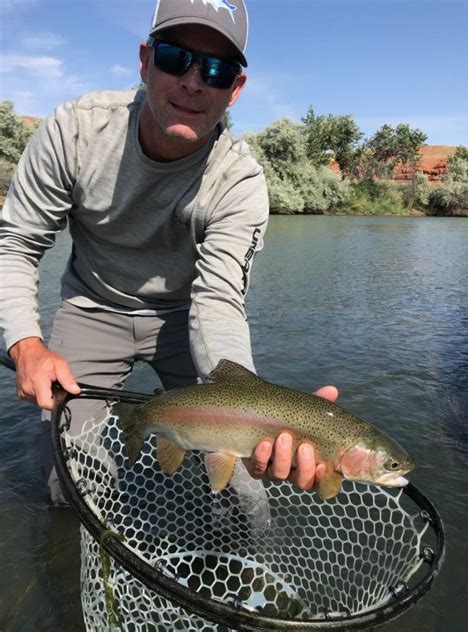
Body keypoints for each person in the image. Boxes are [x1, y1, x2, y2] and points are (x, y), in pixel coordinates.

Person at [0, 0, 336, 504]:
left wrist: (256, 410)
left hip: (184, 319)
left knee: (247, 493)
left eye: (218, 70)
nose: (194, 81)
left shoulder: (239, 182)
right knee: (69, 484)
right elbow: (16, 244)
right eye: (177, 57)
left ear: (235, 90)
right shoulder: (74, 130)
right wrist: (26, 344)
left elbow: (219, 302)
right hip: (92, 306)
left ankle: (237, 566)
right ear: (144, 61)